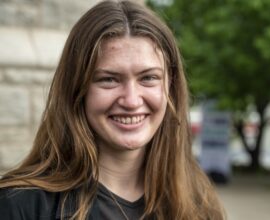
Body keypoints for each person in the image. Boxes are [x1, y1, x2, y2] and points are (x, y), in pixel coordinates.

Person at [0, 1, 226, 219]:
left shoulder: (198, 204)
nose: (131, 100)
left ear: (171, 87)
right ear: (77, 89)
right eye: (108, 79)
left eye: (148, 78)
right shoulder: (20, 206)